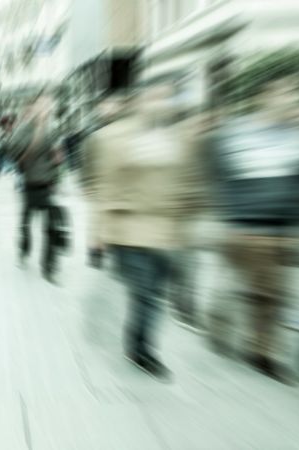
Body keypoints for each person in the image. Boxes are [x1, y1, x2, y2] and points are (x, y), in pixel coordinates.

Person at [205, 76, 299, 383]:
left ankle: (261, 352)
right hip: (246, 228)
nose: (292, 103)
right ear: (266, 96)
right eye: (286, 95)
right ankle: (225, 324)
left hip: (283, 232)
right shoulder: (237, 133)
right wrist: (233, 220)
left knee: (272, 296)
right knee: (248, 291)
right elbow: (219, 178)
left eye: (296, 97)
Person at [82, 83, 203, 380]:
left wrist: (188, 219)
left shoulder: (179, 137)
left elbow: (187, 183)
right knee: (145, 292)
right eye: (152, 98)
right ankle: (142, 349)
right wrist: (96, 233)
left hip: (166, 231)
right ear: (138, 102)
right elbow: (103, 187)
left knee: (153, 294)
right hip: (128, 230)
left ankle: (137, 341)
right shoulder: (114, 137)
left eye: (164, 98)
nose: (159, 104)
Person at [3, 94, 64, 282]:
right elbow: (12, 150)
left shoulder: (52, 130)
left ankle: (49, 266)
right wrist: (33, 131)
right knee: (26, 224)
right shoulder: (24, 128)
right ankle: (24, 249)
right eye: (42, 105)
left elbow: (58, 159)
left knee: (52, 227)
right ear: (35, 107)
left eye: (48, 105)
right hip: (29, 185)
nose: (45, 109)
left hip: (46, 185)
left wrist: (56, 180)